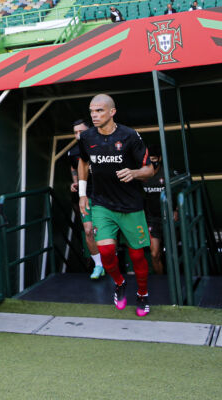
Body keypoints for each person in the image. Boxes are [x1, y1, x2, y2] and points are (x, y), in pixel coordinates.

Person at [77, 94, 154, 317]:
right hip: (102, 204)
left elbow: (149, 169)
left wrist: (134, 173)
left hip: (131, 205)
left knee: (137, 256)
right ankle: (119, 283)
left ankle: (142, 294)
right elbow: (83, 162)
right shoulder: (86, 137)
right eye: (92, 111)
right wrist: (82, 194)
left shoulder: (130, 136)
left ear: (112, 112)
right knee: (106, 251)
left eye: (99, 110)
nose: (94, 115)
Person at [69, 119, 104, 279]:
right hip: (86, 197)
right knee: (89, 231)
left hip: (105, 197)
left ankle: (110, 262)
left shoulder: (101, 145)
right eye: (75, 132)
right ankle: (98, 265)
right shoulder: (73, 152)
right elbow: (73, 166)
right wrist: (75, 182)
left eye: (81, 132)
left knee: (104, 233)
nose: (78, 135)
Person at [142, 145, 165, 275]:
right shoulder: (142, 175)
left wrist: (177, 210)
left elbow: (181, 190)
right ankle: (161, 280)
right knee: (155, 254)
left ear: (160, 158)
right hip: (152, 220)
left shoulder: (167, 173)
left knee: (172, 254)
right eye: (149, 160)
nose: (152, 162)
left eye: (154, 159)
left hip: (168, 219)